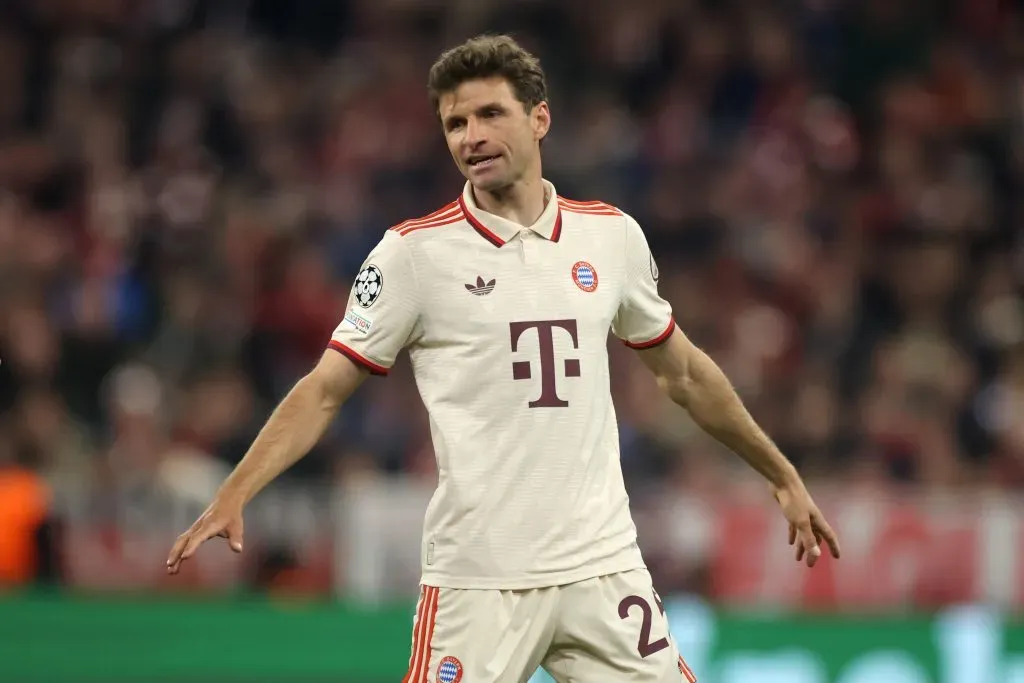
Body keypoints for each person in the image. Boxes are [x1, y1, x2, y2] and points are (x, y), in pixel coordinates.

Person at [166, 34, 841, 683]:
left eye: (490, 114)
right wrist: (236, 490)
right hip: (479, 580)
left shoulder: (609, 237)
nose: (471, 136)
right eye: (455, 123)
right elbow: (323, 390)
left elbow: (685, 373)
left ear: (539, 117)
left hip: (601, 568)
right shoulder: (412, 255)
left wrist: (779, 473)